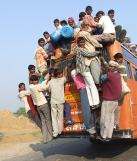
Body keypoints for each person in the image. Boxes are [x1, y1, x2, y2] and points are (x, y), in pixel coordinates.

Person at [101, 53, 127, 129]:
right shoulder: (120, 67)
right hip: (119, 90)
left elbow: (111, 68)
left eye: (117, 59)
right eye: (115, 60)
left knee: (117, 107)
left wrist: (104, 62)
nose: (116, 61)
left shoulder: (121, 67)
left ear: (122, 59)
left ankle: (115, 124)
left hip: (121, 90)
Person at [98, 60, 122, 141]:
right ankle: (109, 135)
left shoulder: (109, 75)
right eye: (109, 66)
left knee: (105, 117)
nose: (109, 67)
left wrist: (102, 73)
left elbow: (102, 78)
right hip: (115, 101)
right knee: (111, 118)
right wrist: (106, 73)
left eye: (111, 66)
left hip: (108, 100)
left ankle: (103, 135)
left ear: (115, 67)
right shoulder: (118, 75)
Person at [70, 62, 95, 135]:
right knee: (86, 108)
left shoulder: (79, 71)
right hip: (83, 89)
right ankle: (88, 126)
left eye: (75, 65)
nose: (74, 66)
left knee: (91, 107)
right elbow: (80, 69)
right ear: (71, 68)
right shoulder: (73, 72)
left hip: (87, 88)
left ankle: (92, 125)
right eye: (72, 65)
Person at [76, 37, 100, 109]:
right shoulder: (81, 49)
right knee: (92, 85)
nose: (83, 44)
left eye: (83, 42)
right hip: (85, 70)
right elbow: (89, 54)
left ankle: (91, 104)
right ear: (78, 43)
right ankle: (96, 103)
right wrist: (98, 52)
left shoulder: (77, 49)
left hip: (81, 71)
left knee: (88, 86)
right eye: (81, 42)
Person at [76, 20, 103, 85]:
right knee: (96, 73)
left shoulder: (81, 33)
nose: (87, 26)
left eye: (88, 25)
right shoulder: (84, 33)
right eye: (85, 25)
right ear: (82, 26)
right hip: (91, 57)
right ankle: (98, 85)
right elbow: (93, 41)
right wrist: (100, 46)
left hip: (87, 57)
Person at [30, 75, 52, 143]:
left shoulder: (31, 87)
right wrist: (50, 83)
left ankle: (45, 139)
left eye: (36, 80)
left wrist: (46, 80)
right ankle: (51, 136)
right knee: (48, 120)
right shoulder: (37, 86)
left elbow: (40, 85)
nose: (36, 81)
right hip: (44, 105)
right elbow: (44, 87)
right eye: (35, 80)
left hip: (38, 107)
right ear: (32, 81)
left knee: (43, 122)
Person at [49, 67, 68, 137]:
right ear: (59, 74)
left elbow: (49, 91)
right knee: (60, 117)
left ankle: (55, 133)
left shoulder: (50, 82)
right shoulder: (62, 80)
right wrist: (65, 70)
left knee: (54, 118)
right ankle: (60, 131)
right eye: (61, 74)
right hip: (60, 101)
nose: (62, 75)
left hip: (53, 102)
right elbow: (65, 76)